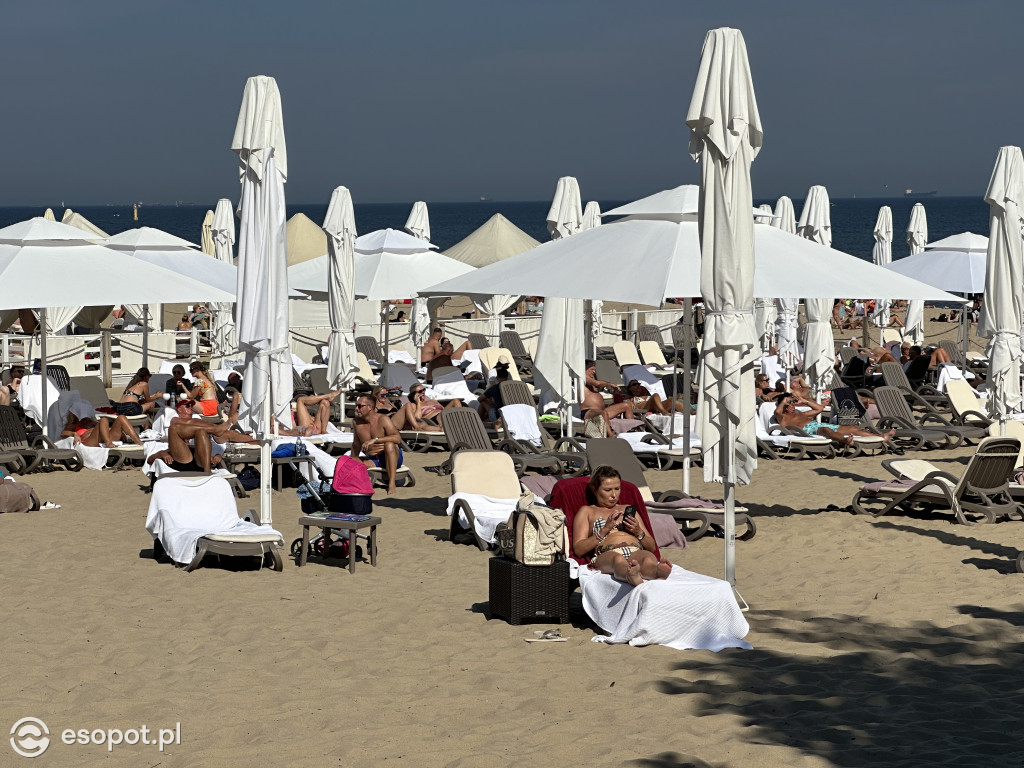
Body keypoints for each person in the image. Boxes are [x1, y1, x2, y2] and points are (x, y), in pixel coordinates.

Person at [572, 466, 672, 586]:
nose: (614, 495)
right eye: (607, 490)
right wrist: (605, 529)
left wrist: (638, 532)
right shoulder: (587, 511)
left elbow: (651, 547)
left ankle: (657, 572)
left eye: (617, 488)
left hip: (635, 550)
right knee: (618, 560)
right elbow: (578, 549)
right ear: (594, 489)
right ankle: (629, 574)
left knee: (647, 558)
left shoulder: (627, 509)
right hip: (607, 553)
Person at [775, 394, 893, 446]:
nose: (793, 405)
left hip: (817, 425)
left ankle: (880, 436)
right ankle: (845, 441)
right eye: (790, 404)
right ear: (783, 404)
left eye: (793, 403)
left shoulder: (800, 413)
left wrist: (804, 401)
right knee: (826, 429)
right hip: (806, 431)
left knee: (852, 428)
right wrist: (784, 401)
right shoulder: (783, 418)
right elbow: (777, 412)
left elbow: (819, 408)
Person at [351, 394, 402, 495]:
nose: (357, 409)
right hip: (373, 459)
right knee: (347, 461)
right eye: (356, 406)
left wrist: (375, 440)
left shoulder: (382, 419)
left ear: (370, 407)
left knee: (389, 444)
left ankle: (391, 483)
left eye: (360, 406)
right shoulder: (356, 422)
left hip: (391, 455)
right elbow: (356, 445)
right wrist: (353, 460)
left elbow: (397, 438)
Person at [582, 360, 634, 437]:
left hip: (602, 412)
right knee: (603, 413)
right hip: (588, 412)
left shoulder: (591, 382)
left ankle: (632, 431)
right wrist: (610, 384)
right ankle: (610, 435)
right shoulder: (582, 379)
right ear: (585, 370)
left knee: (627, 405)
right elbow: (598, 383)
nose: (594, 372)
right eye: (592, 369)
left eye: (595, 370)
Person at [390, 384, 462, 432]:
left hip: (443, 414)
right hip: (435, 419)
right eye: (420, 391)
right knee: (444, 414)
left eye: (424, 390)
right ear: (414, 394)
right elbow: (417, 417)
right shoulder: (414, 405)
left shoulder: (433, 401)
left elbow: (443, 408)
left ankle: (463, 421)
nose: (423, 392)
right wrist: (418, 403)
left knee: (455, 401)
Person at [62, 412, 140, 449]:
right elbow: (62, 433)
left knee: (121, 417)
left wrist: (118, 431)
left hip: (105, 438)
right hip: (89, 442)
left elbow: (104, 428)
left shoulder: (91, 422)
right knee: (103, 420)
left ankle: (138, 441)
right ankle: (108, 443)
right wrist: (74, 434)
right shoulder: (73, 425)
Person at [625, 379, 690, 415]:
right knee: (655, 395)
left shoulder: (646, 395)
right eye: (634, 384)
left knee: (671, 400)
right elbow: (627, 406)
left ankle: (691, 412)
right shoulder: (630, 399)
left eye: (638, 384)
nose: (637, 385)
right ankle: (664, 412)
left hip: (656, 407)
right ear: (630, 388)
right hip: (645, 409)